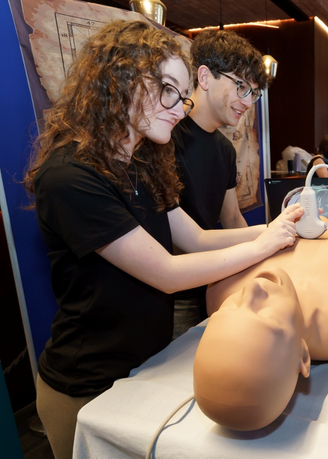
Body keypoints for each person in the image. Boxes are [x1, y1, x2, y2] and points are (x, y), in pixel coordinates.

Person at [23, 21, 301, 459]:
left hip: (147, 365)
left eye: (182, 93)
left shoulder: (143, 163)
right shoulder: (70, 176)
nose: (178, 106)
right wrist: (265, 245)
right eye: (167, 89)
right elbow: (167, 272)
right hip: (87, 383)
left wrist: (278, 227)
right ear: (119, 80)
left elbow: (194, 238)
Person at [196, 223, 328, 430]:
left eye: (228, 310)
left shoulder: (221, 289)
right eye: (265, 317)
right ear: (303, 356)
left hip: (304, 224)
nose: (252, 288)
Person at [171, 29, 270, 331]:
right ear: (204, 77)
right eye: (241, 86)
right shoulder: (167, 136)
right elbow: (182, 239)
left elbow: (231, 217)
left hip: (215, 280)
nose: (247, 101)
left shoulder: (225, 149)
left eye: (254, 92)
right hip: (173, 292)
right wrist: (270, 235)